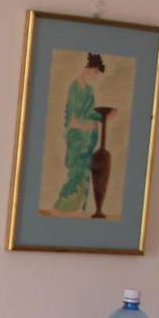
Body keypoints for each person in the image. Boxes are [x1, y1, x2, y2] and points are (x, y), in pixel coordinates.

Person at [53, 53, 115, 214]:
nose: (95, 77)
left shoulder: (89, 90)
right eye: (95, 73)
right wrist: (85, 126)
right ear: (89, 68)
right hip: (77, 138)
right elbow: (72, 118)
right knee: (76, 172)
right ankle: (64, 207)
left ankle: (81, 209)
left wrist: (103, 116)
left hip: (89, 139)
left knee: (86, 172)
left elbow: (90, 112)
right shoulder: (74, 88)